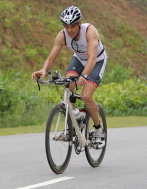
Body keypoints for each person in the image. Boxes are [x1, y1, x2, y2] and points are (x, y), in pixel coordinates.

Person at [32, 6, 107, 146]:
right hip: (79, 59)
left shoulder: (90, 31)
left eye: (72, 26)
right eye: (66, 26)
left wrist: (84, 75)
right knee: (69, 83)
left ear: (79, 23)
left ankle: (98, 129)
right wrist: (43, 70)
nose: (69, 30)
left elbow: (92, 58)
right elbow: (51, 57)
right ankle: (73, 125)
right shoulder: (62, 36)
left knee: (86, 96)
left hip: (97, 60)